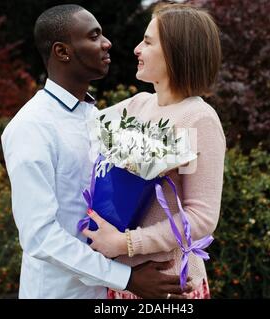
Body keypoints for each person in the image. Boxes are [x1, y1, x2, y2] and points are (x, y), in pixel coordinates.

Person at [1, 4, 191, 299]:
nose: (107, 43)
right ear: (62, 52)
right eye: (93, 36)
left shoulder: (99, 118)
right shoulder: (30, 127)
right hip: (59, 293)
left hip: (106, 293)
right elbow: (39, 237)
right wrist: (126, 278)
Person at [81, 3, 226, 299]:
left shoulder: (199, 119)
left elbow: (201, 218)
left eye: (147, 42)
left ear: (176, 51)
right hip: (121, 280)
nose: (136, 49)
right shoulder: (136, 106)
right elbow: (81, 124)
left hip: (170, 284)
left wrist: (126, 243)